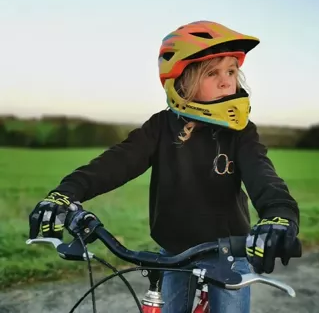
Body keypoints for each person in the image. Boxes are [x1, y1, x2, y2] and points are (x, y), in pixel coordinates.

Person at [29, 20, 300, 313]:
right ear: (182, 82)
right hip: (174, 252)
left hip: (228, 253)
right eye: (212, 73)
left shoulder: (240, 133)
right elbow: (116, 161)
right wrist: (64, 194)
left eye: (232, 72)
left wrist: (279, 215)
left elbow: (263, 175)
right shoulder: (161, 127)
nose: (227, 81)